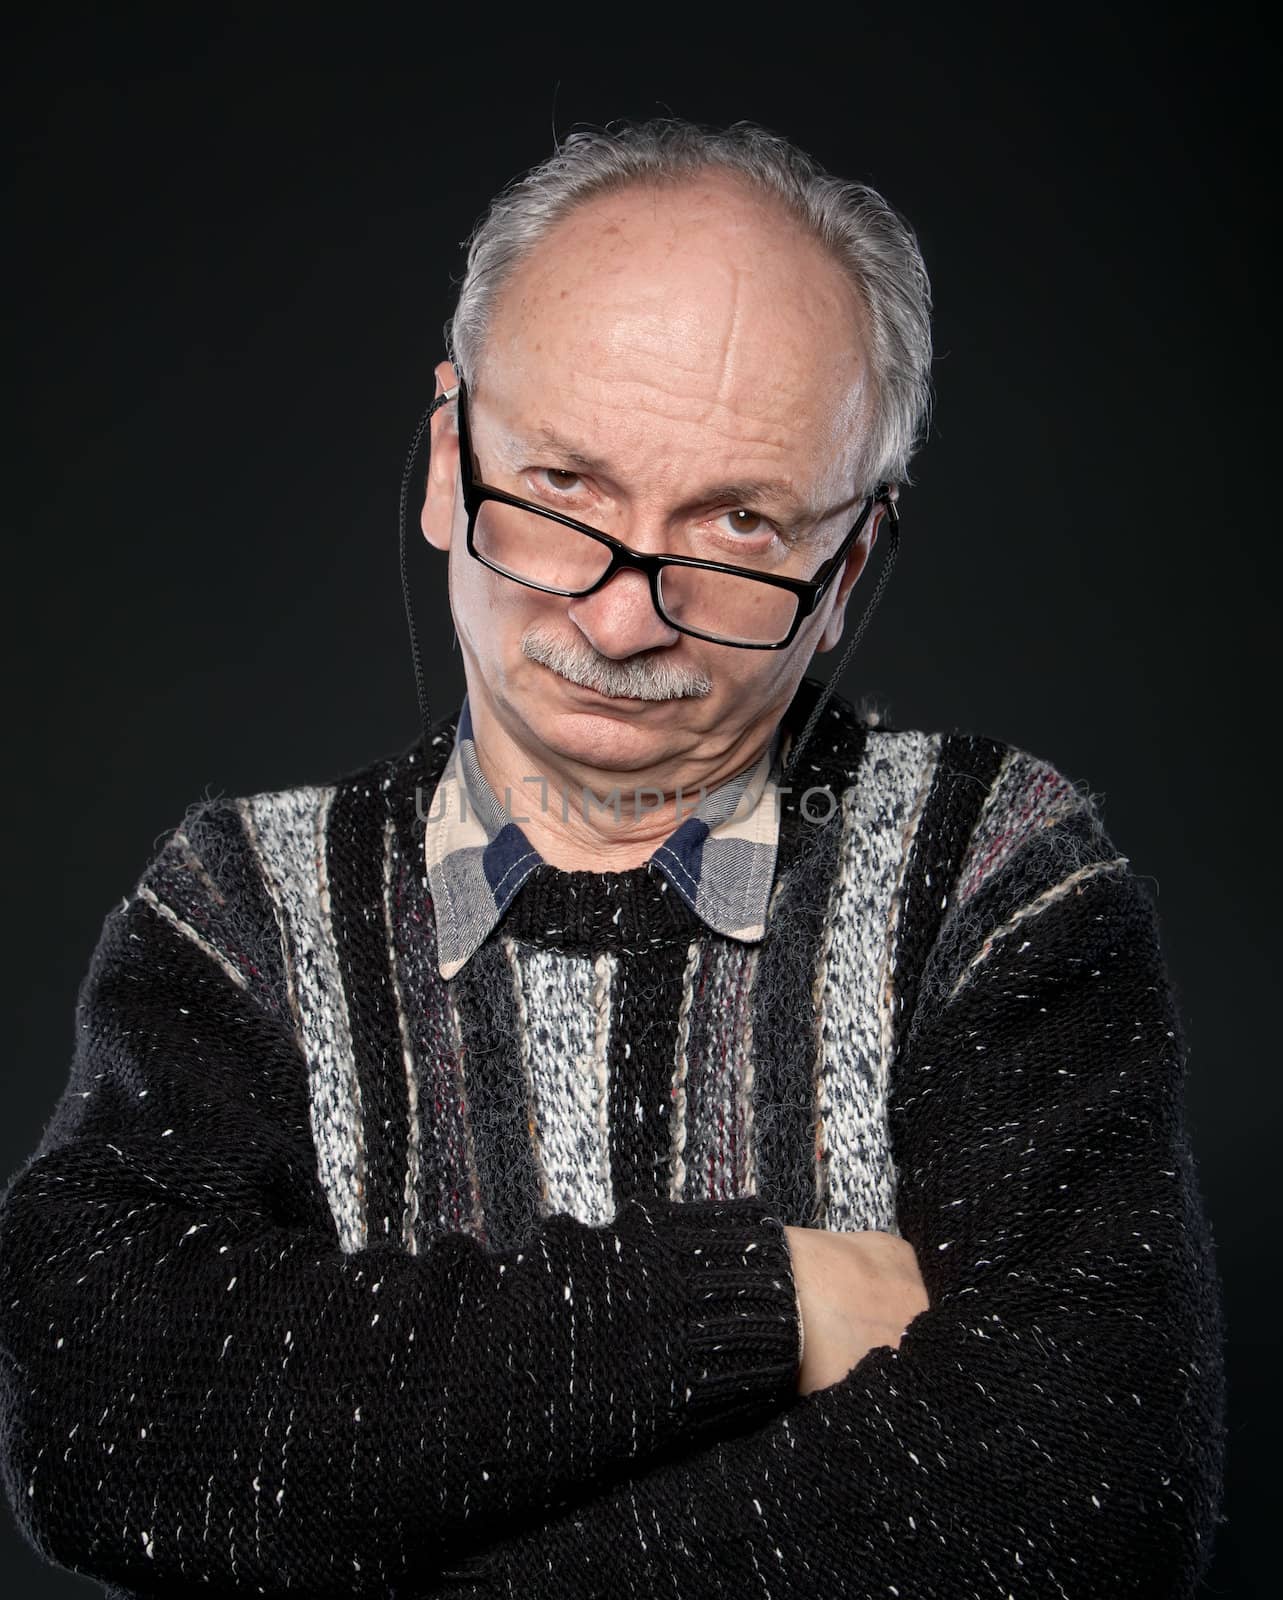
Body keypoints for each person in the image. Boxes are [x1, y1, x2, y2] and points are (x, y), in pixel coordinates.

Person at [0, 119, 1225, 1598]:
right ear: (452, 461)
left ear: (846, 572)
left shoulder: (994, 876)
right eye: (565, 491)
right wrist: (772, 1301)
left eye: (737, 525)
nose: (621, 616)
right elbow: (105, 1421)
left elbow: (1091, 1489)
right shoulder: (239, 911)